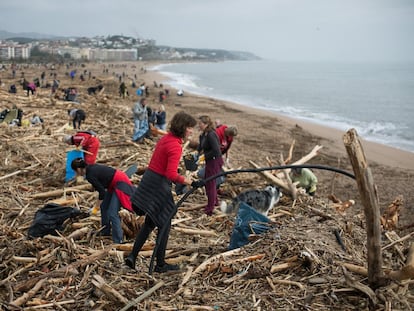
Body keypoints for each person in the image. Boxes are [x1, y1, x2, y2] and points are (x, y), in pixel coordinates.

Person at [125, 111, 198, 273]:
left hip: (150, 180)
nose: (192, 131)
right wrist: (188, 181)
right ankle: (160, 264)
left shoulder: (166, 138)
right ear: (183, 128)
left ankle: (132, 256)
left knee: (151, 222)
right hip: (158, 185)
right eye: (190, 128)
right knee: (165, 223)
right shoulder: (175, 146)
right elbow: (171, 174)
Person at [71, 158, 135, 244]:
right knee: (104, 206)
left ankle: (118, 240)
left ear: (78, 169)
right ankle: (105, 231)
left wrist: (95, 208)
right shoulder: (90, 168)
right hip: (113, 183)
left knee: (112, 213)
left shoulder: (90, 175)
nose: (76, 174)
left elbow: (102, 193)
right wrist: (98, 206)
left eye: (75, 172)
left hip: (120, 183)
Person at [197, 115, 223, 216]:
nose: (199, 125)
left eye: (201, 123)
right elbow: (200, 147)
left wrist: (204, 156)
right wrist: (196, 154)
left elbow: (216, 150)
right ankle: (215, 202)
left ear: (206, 124)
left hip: (215, 161)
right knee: (208, 182)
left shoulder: (211, 134)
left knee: (210, 183)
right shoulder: (204, 134)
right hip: (209, 161)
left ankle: (210, 207)